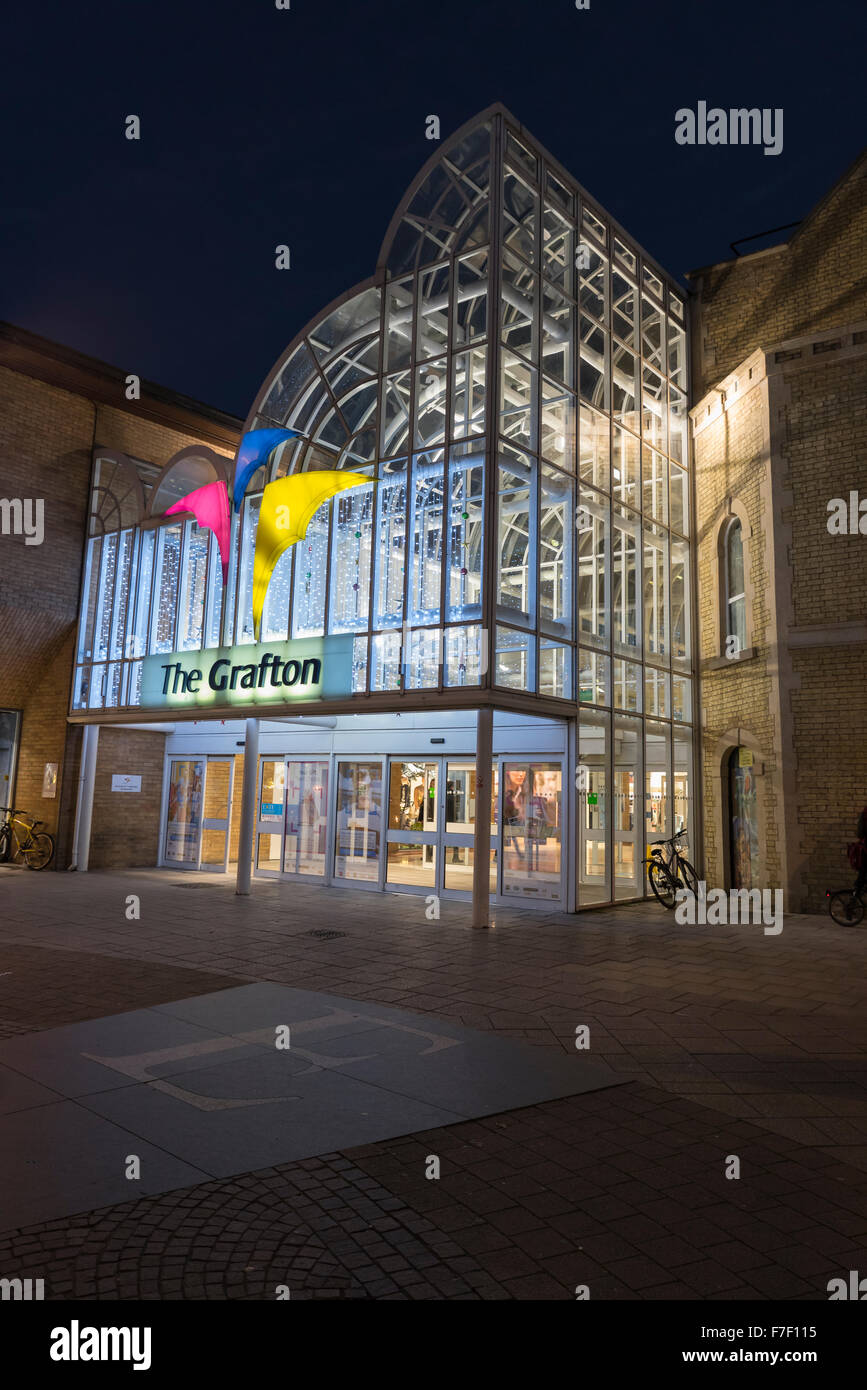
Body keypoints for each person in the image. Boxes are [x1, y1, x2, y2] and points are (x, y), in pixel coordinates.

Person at [855, 804, 867, 897]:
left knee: (862, 878)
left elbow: (859, 833)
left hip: (865, 850)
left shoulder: (865, 812)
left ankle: (855, 897)